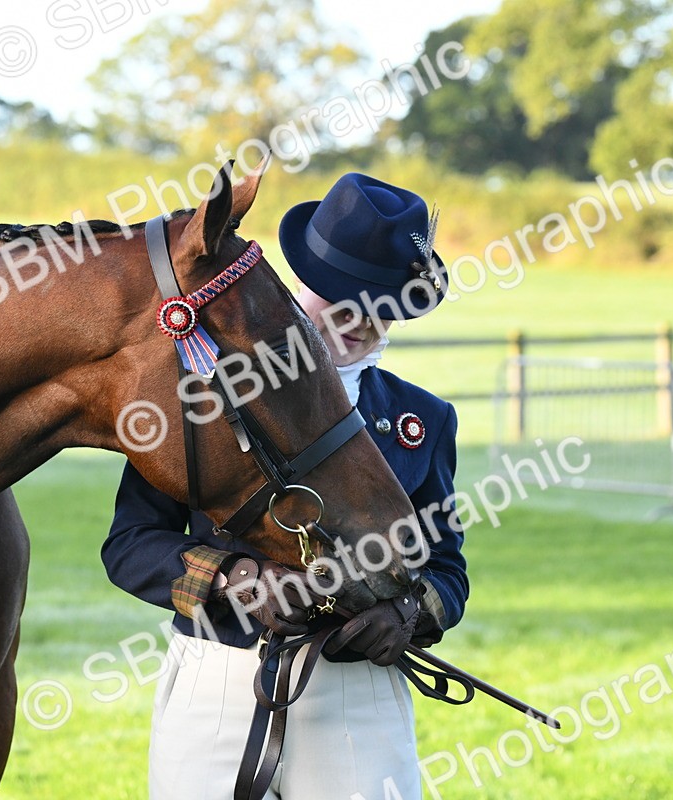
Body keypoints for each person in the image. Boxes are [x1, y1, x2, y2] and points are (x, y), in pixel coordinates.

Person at [101, 172, 468, 799]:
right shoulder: (203, 400)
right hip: (217, 679)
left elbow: (447, 571)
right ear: (304, 284)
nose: (360, 320)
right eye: (342, 298)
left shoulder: (423, 420)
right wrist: (231, 579)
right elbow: (130, 545)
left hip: (359, 696)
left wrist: (408, 613)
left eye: (382, 308)